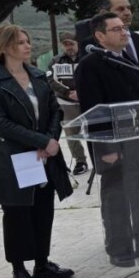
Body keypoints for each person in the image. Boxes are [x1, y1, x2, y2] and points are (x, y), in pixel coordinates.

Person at [0, 24, 74, 278]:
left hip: (44, 156)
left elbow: (55, 111)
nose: (28, 46)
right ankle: (19, 269)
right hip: (12, 157)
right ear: (4, 46)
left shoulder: (38, 75)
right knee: (17, 213)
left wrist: (50, 140)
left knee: (43, 208)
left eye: (27, 41)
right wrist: (41, 141)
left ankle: (42, 263)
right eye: (21, 42)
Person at [75, 12, 139, 266]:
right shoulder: (90, 65)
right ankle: (118, 248)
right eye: (116, 29)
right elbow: (93, 110)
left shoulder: (125, 59)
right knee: (115, 197)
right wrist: (107, 147)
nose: (124, 32)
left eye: (124, 28)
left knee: (133, 193)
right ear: (100, 36)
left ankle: (134, 241)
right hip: (111, 144)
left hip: (136, 140)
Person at [47, 32, 88, 175]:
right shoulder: (55, 61)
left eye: (71, 43)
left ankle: (99, 157)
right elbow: (50, 80)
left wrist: (82, 92)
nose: (69, 47)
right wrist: (68, 92)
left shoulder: (86, 58)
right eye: (65, 44)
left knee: (95, 130)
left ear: (77, 43)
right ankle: (80, 161)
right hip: (66, 103)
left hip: (88, 101)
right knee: (71, 134)